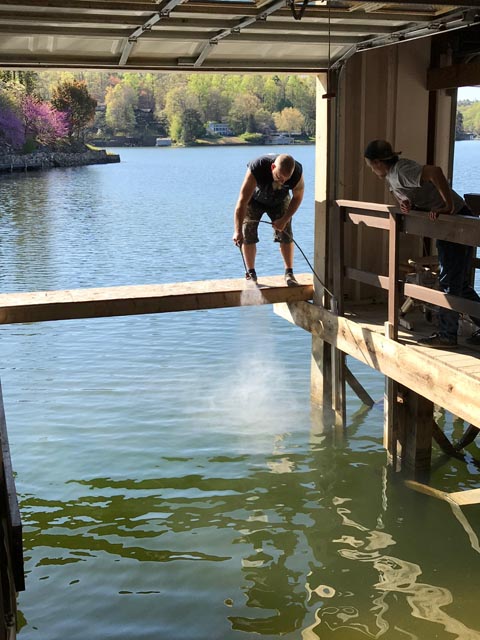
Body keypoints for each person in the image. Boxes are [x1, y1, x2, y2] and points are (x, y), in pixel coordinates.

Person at [364, 139, 480, 349]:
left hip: (456, 222)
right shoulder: (392, 176)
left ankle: (447, 335)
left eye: (371, 165)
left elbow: (435, 172)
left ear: (379, 162)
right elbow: (415, 193)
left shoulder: (402, 170)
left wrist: (448, 205)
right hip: (448, 225)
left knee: (449, 282)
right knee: (458, 283)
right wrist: (408, 203)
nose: (371, 170)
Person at [232, 153, 305, 285]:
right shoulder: (257, 167)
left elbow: (298, 198)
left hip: (280, 200)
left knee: (286, 233)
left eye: (285, 180)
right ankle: (251, 273)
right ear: (272, 167)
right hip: (255, 199)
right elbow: (242, 202)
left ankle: (289, 273)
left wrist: (284, 219)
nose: (281, 181)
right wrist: (237, 231)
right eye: (279, 177)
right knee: (247, 233)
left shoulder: (297, 174)